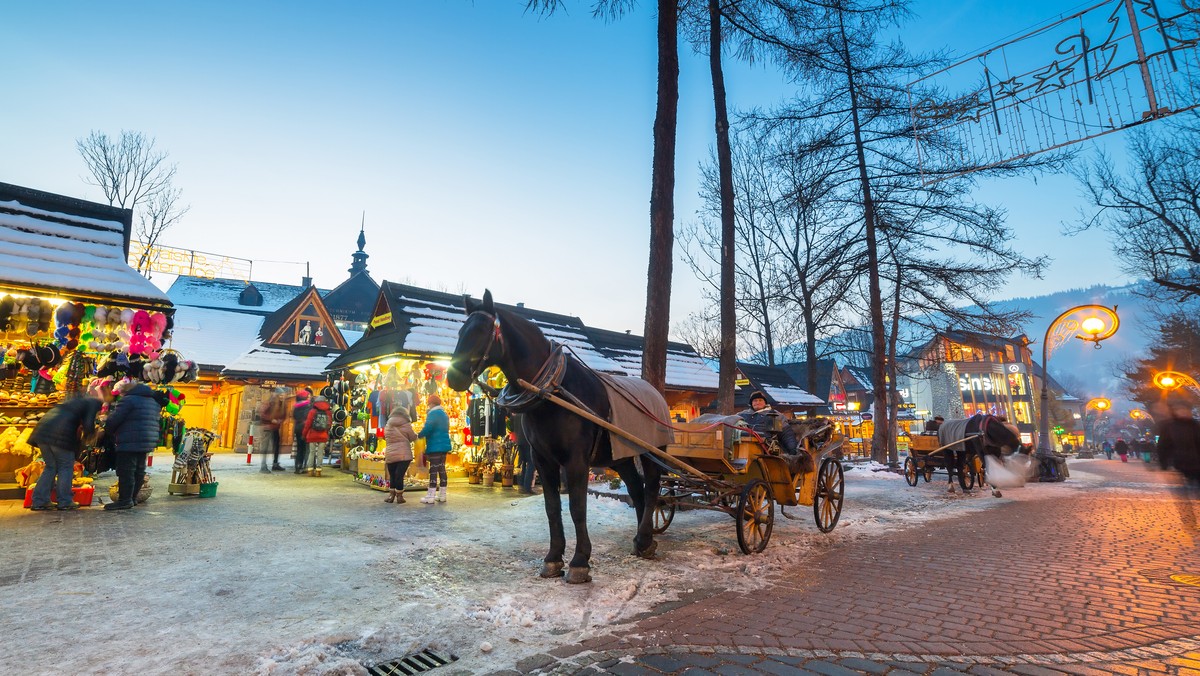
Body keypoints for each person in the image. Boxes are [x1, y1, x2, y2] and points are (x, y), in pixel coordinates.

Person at [28, 393, 103, 511]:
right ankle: (65, 501)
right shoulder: (93, 403)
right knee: (65, 467)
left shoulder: (71, 403)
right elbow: (88, 425)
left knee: (51, 467)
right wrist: (94, 434)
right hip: (59, 436)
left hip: (42, 434)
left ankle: (39, 501)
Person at [102, 379, 164, 511]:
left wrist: (107, 429)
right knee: (139, 470)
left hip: (130, 439)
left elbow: (115, 419)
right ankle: (133, 498)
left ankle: (125, 500)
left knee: (126, 470)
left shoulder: (129, 400)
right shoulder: (152, 401)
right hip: (147, 440)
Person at [418, 393, 452, 503]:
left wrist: (420, 434)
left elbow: (428, 428)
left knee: (433, 470)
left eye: (429, 404)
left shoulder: (433, 414)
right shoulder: (444, 414)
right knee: (442, 469)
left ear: (432, 404)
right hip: (444, 446)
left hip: (435, 445)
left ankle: (430, 496)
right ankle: (442, 495)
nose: (428, 406)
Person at [1157, 402, 1200, 485]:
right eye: (1180, 410)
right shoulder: (1170, 426)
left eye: (1185, 410)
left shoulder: (1195, 425)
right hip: (1180, 461)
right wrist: (1163, 463)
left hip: (1197, 460)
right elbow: (1163, 445)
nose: (1183, 412)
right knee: (1187, 485)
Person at [383, 407, 418, 503]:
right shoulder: (406, 424)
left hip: (390, 453)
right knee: (400, 475)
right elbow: (412, 437)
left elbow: (385, 436)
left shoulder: (388, 424)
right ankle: (399, 496)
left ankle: (391, 496)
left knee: (393, 475)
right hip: (403, 454)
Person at [257, 388, 287, 472]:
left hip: (275, 427)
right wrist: (271, 419)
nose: (282, 396)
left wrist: (279, 421)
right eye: (280, 395)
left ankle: (275, 464)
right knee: (265, 447)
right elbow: (262, 413)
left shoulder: (282, 405)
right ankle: (263, 466)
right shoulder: (269, 403)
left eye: (283, 395)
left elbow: (284, 415)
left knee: (276, 446)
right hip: (267, 428)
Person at [302, 395, 332, 477]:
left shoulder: (312, 411)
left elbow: (308, 424)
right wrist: (326, 431)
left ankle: (310, 470)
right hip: (323, 435)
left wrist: (304, 434)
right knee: (320, 453)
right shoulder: (328, 412)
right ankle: (318, 471)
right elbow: (329, 424)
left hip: (312, 435)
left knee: (311, 453)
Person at [513, 413, 536, 494]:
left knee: (523, 464)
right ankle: (527, 486)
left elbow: (514, 429)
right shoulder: (528, 414)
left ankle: (521, 485)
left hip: (520, 442)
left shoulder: (517, 415)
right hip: (528, 441)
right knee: (531, 464)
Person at [292, 388, 312, 474]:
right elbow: (309, 417)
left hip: (297, 427)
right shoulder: (308, 406)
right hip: (305, 428)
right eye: (308, 396)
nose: (309, 397)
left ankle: (297, 466)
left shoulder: (296, 406)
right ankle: (304, 466)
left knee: (299, 448)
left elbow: (294, 416)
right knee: (305, 448)